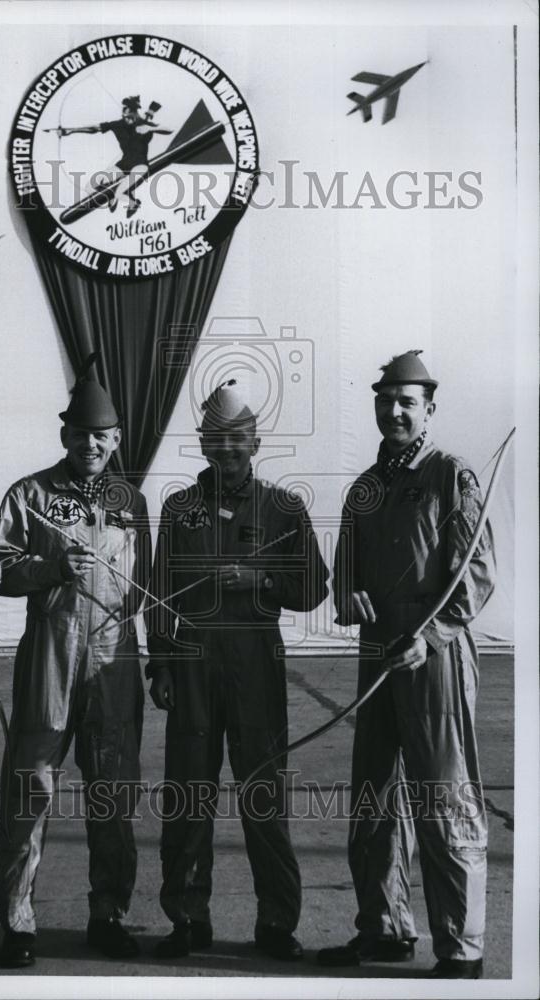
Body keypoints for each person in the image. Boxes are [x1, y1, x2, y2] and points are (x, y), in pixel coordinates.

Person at [317, 350, 496, 979]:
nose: (394, 411)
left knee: (444, 796)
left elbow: (477, 573)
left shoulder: (452, 475)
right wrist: (349, 595)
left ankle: (461, 947)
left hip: (434, 656)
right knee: (375, 795)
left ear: (428, 410)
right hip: (378, 651)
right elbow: (346, 572)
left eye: (407, 402)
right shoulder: (365, 486)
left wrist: (436, 634)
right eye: (385, 400)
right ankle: (386, 928)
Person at [146, 380, 329, 960]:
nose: (227, 448)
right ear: (202, 443)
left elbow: (314, 587)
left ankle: (276, 922)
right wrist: (162, 664)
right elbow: (158, 593)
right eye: (216, 439)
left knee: (263, 796)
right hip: (194, 667)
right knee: (187, 796)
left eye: (237, 439)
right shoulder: (180, 509)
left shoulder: (283, 508)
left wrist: (262, 580)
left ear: (254, 440)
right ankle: (186, 917)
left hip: (256, 667)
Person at [0, 357, 151, 968]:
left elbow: (143, 590)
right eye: (81, 434)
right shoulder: (29, 495)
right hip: (50, 658)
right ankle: (17, 920)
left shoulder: (131, 503)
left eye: (102, 436)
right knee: (30, 787)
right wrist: (51, 569)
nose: (91, 444)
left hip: (114, 660)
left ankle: (107, 915)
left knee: (112, 793)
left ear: (115, 442)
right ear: (65, 435)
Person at [60, 95, 172, 218]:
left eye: (129, 117)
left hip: (140, 165)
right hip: (123, 164)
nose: (127, 120)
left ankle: (133, 203)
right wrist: (72, 130)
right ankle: (114, 195)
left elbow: (169, 129)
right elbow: (94, 128)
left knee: (120, 193)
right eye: (124, 117)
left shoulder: (144, 124)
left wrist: (150, 128)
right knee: (90, 187)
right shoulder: (119, 124)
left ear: (135, 113)